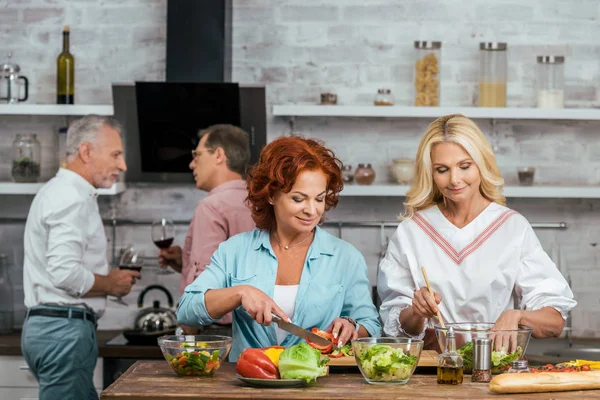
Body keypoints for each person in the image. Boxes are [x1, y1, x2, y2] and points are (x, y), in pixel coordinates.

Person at [378, 114, 576, 351]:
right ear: (430, 173)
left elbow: (555, 322)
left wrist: (518, 317)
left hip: (494, 369)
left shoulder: (512, 227)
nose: (454, 179)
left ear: (481, 163)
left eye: (465, 166)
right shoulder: (412, 231)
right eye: (442, 169)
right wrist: (417, 312)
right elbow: (396, 326)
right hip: (432, 372)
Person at [177, 136, 381, 360]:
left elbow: (370, 324)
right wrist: (240, 292)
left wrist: (351, 325)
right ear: (271, 195)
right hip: (249, 386)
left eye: (319, 199)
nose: (312, 210)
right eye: (298, 198)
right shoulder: (235, 250)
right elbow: (187, 311)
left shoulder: (345, 257)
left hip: (318, 386)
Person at [21, 115, 140, 400]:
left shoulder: (62, 192)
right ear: (86, 152)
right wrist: (110, 284)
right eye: (115, 154)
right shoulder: (70, 198)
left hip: (53, 329)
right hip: (63, 331)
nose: (121, 166)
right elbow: (64, 272)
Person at [158, 124, 255, 326]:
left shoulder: (211, 207)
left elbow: (203, 290)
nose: (192, 164)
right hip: (254, 326)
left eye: (197, 155)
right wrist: (184, 263)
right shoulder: (260, 202)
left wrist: (188, 331)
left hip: (217, 329)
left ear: (219, 155)